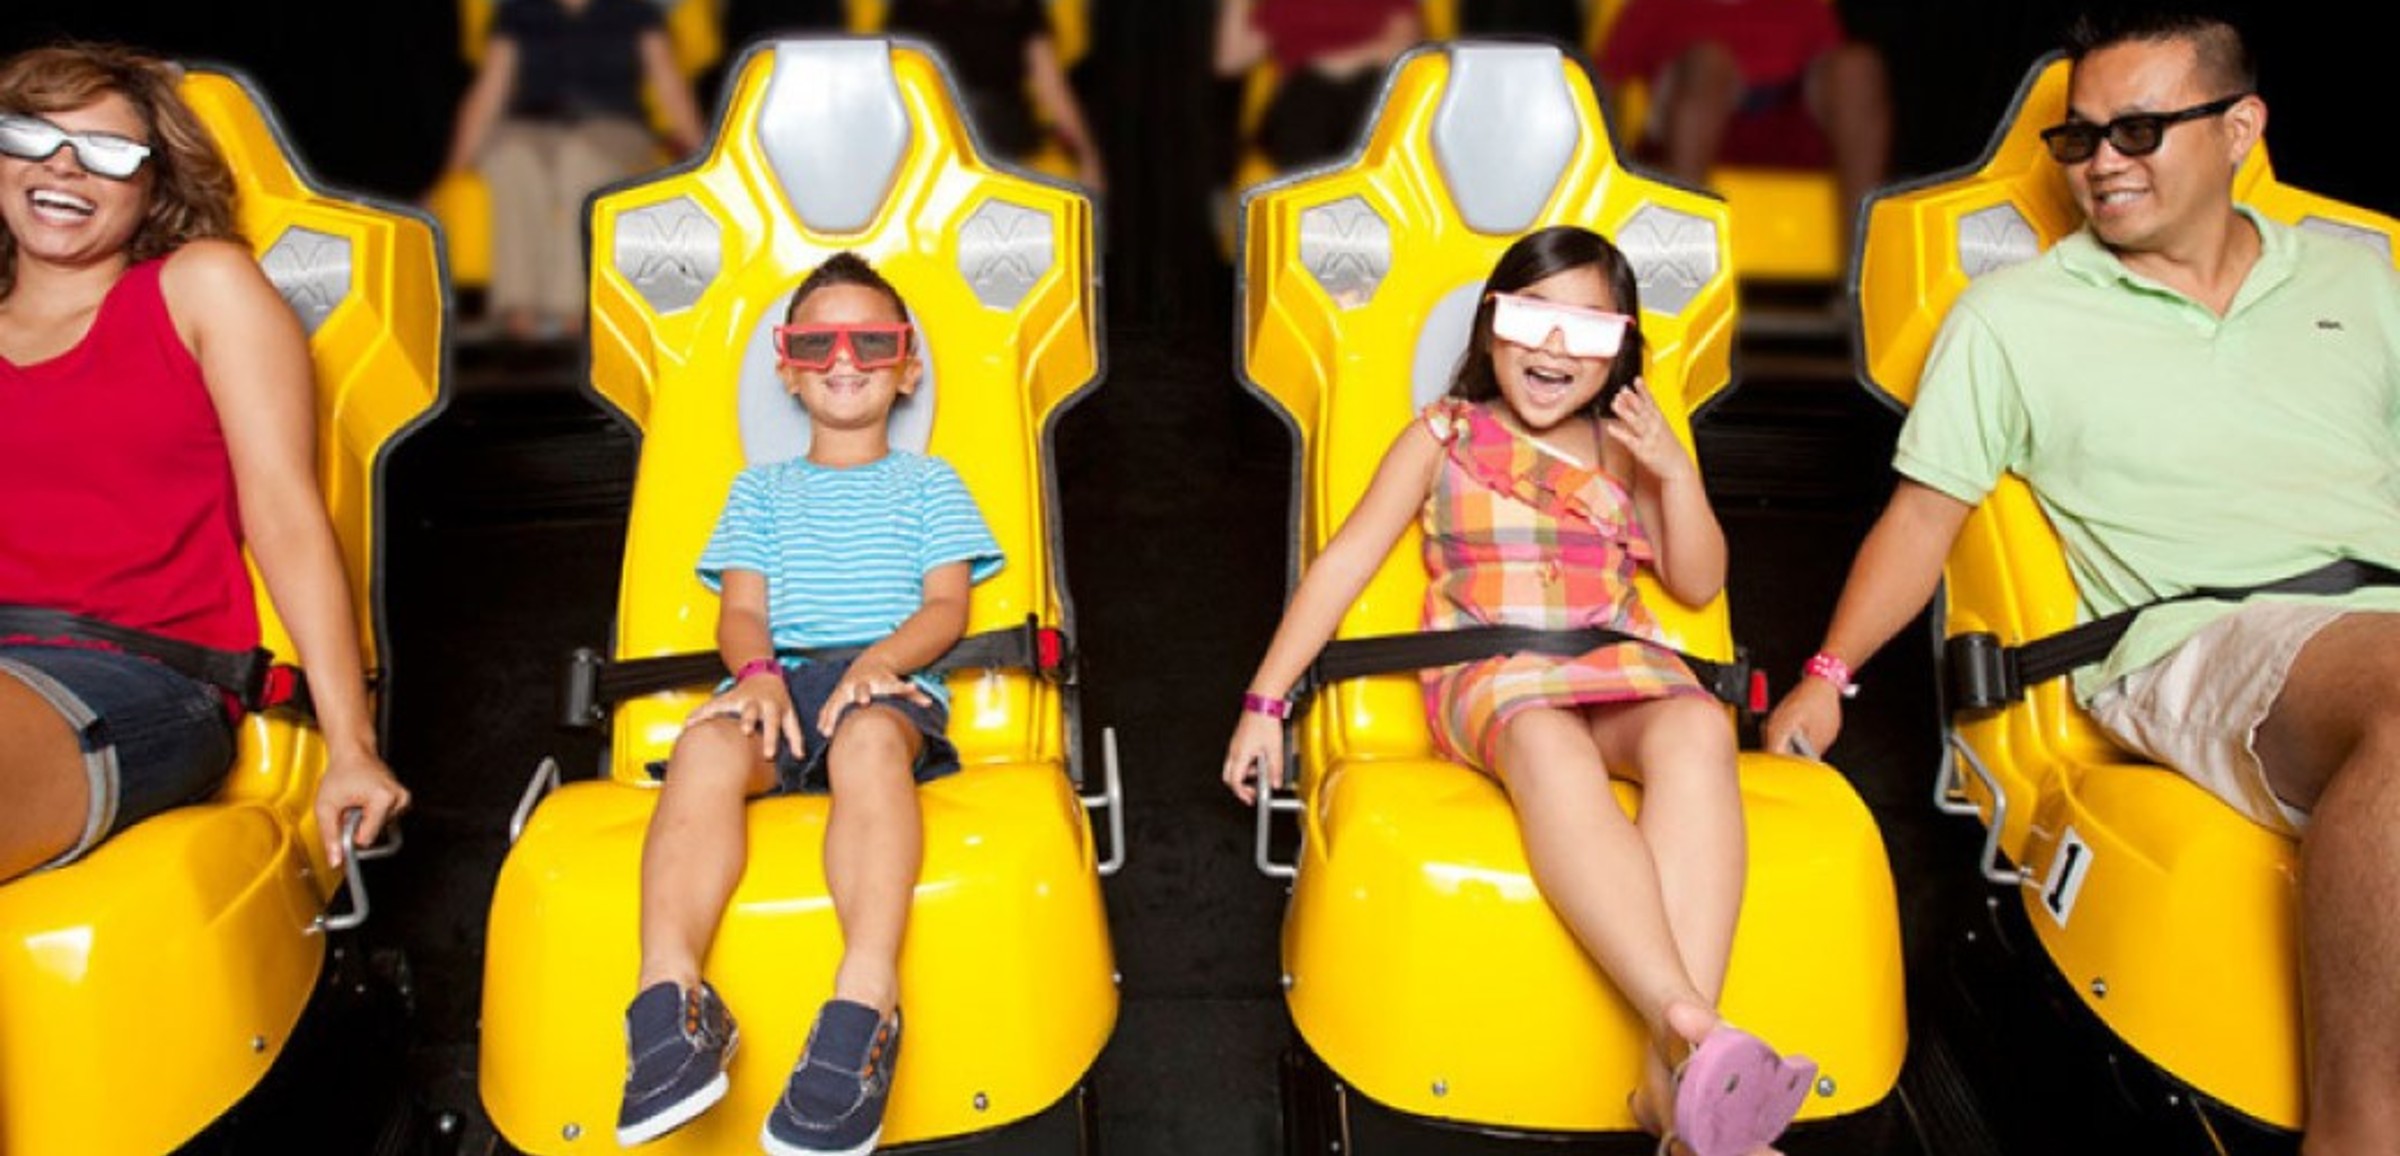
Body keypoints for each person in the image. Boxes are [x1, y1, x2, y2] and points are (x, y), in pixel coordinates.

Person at [1761, 11, 2400, 1150]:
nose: (2105, 161)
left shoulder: (2363, 289)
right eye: (2083, 138)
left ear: (2241, 127)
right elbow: (1922, 519)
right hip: (2206, 643)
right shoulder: (2017, 317)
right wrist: (1824, 674)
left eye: (2142, 130)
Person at [1221, 225, 1813, 1156]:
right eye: (1534, 321)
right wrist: (1265, 703)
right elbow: (1342, 566)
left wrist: (1671, 468)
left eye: (1584, 332)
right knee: (1546, 741)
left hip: (1617, 658)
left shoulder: (1627, 446)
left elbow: (1697, 582)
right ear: (1492, 324)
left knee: (1698, 726)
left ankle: (1672, 1092)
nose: (1551, 352)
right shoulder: (1443, 435)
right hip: (1494, 670)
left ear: (1619, 349)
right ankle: (1687, 1023)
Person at [613, 251, 1003, 1154]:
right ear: (787, 369)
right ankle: (669, 1006)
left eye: (873, 341)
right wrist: (755, 681)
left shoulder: (928, 484)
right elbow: (741, 613)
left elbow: (947, 605)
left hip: (886, 685)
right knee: (706, 749)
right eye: (816, 341)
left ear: (906, 367)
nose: (844, 358)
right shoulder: (761, 491)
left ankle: (864, 1002)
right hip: (776, 682)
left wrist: (878, 664)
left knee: (868, 743)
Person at [0, 42, 409, 883]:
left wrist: (353, 744)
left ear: (154, 185)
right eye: (36, 137)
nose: (67, 166)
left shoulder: (201, 288)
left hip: (134, 678)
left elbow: (286, 514)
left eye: (109, 152)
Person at [432, 0, 706, 341]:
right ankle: (519, 309)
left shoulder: (636, 11)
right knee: (509, 155)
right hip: (538, 125)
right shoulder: (518, 11)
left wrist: (705, 160)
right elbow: (489, 92)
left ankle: (572, 310)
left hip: (614, 128)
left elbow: (670, 88)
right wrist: (449, 175)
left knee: (579, 156)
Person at [1594, 0, 1889, 267]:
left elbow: (1837, 76)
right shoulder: (1656, 6)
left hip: (1786, 127)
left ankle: (1863, 270)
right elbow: (1601, 87)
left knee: (1856, 67)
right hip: (1692, 131)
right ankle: (1682, 267)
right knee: (1709, 63)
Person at [884, 0, 1107, 191]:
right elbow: (890, 75)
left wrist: (1088, 155)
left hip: (1004, 143)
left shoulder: (1016, 6)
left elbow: (1050, 83)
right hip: (932, 141)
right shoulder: (912, 6)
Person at [1214, 0, 1421, 173]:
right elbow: (1230, 61)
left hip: (1367, 86)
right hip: (1305, 95)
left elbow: (1405, 45)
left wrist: (1340, 64)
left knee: (1367, 102)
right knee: (1307, 104)